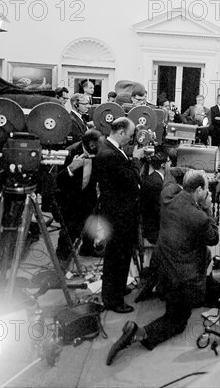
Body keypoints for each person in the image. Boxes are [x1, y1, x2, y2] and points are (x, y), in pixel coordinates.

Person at [106, 170, 219, 365]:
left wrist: (190, 173)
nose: (208, 193)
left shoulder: (168, 195)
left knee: (203, 257)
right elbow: (213, 237)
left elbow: (170, 174)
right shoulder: (198, 217)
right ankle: (138, 333)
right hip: (183, 276)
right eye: (206, 190)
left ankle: (171, 294)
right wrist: (208, 208)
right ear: (200, 190)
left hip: (163, 265)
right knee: (178, 320)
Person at [94, 117, 144, 313]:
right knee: (117, 256)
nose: (131, 139)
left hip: (118, 212)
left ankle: (118, 288)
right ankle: (113, 301)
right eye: (130, 136)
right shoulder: (110, 154)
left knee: (121, 256)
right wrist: (136, 159)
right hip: (118, 215)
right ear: (121, 132)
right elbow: (131, 180)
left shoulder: (111, 148)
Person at [55, 129, 103, 267]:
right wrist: (71, 168)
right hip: (70, 197)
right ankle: (62, 257)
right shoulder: (69, 153)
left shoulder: (99, 153)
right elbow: (57, 181)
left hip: (89, 194)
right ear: (91, 144)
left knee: (91, 222)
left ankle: (87, 248)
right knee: (70, 229)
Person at [139, 148, 170, 245]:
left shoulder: (153, 178)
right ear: (163, 165)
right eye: (169, 161)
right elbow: (157, 209)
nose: (171, 163)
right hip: (153, 229)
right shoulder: (156, 183)